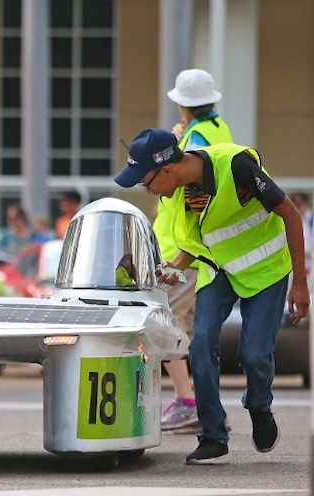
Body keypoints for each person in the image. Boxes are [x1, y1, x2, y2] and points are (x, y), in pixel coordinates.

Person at [115, 128, 310, 465]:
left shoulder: (236, 166)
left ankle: (259, 406)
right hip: (219, 271)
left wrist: (300, 284)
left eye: (145, 183)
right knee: (201, 343)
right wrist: (175, 267)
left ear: (166, 169)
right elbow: (196, 239)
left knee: (252, 355)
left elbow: (291, 215)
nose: (145, 190)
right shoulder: (176, 191)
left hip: (266, 270)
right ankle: (213, 434)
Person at [158, 68, 233, 432]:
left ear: (183, 105)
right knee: (189, 327)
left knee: (168, 321)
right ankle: (204, 406)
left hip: (184, 246)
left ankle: (189, 402)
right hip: (204, 245)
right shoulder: (218, 130)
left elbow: (186, 190)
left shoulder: (196, 139)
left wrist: (178, 143)